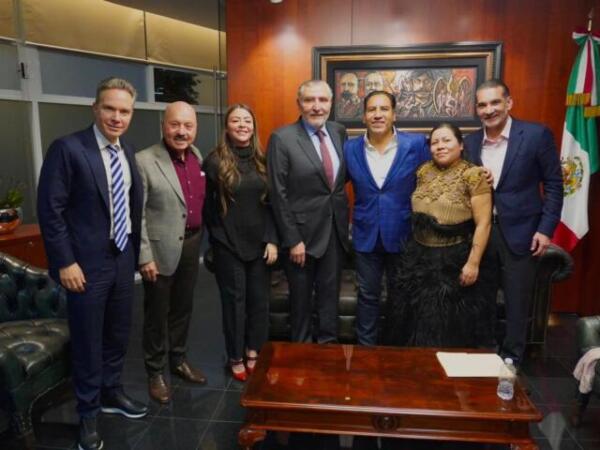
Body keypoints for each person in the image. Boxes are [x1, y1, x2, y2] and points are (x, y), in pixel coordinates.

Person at [37, 77, 148, 450]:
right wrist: (65, 262)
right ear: (95, 108)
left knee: (118, 333)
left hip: (121, 261)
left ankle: (111, 393)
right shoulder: (68, 149)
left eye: (124, 111)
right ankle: (87, 412)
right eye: (110, 108)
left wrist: (133, 255)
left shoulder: (127, 152)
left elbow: (130, 207)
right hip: (83, 266)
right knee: (88, 340)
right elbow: (49, 212)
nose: (117, 117)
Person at [464, 79, 563, 366]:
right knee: (480, 300)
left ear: (509, 103)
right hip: (481, 233)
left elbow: (555, 185)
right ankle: (484, 355)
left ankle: (511, 360)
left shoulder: (535, 135)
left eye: (495, 102)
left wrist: (546, 230)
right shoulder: (470, 143)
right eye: (482, 105)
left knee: (517, 302)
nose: (489, 110)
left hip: (522, 233)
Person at [385, 123, 493, 348]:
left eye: (446, 140)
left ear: (461, 145)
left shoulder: (474, 175)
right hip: (419, 259)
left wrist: (473, 263)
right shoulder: (423, 171)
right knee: (413, 324)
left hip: (453, 260)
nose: (440, 146)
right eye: (435, 142)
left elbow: (484, 223)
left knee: (447, 328)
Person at [135, 101, 207, 405]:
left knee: (182, 308)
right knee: (157, 314)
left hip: (192, 244)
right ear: (163, 125)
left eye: (188, 126)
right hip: (159, 249)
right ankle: (155, 372)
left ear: (195, 128)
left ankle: (177, 360)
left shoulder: (197, 156)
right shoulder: (144, 160)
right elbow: (135, 213)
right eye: (175, 124)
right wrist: (144, 256)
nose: (181, 131)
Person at [344, 90, 429, 345]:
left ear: (394, 114)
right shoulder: (350, 148)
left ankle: (396, 351)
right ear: (363, 116)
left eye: (384, 109)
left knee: (400, 296)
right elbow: (331, 185)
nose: (378, 114)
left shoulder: (415, 145)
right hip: (365, 233)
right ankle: (366, 352)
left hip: (404, 234)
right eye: (372, 109)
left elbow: (433, 178)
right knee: (367, 296)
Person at [268, 79, 349, 344]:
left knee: (329, 300)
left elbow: (335, 183)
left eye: (322, 100)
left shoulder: (339, 132)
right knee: (300, 304)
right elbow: (277, 193)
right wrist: (292, 239)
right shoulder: (283, 138)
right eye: (309, 100)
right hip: (301, 238)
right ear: (299, 104)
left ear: (331, 103)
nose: (316, 107)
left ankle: (328, 355)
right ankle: (300, 356)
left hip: (334, 233)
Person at [203, 104, 278, 382]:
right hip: (228, 246)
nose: (242, 125)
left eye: (247, 120)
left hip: (260, 245)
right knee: (234, 304)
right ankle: (235, 356)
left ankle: (253, 352)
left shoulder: (263, 160)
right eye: (236, 120)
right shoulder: (214, 162)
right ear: (227, 126)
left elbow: (272, 205)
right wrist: (219, 240)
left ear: (253, 126)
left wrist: (271, 240)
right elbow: (207, 208)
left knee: (259, 302)